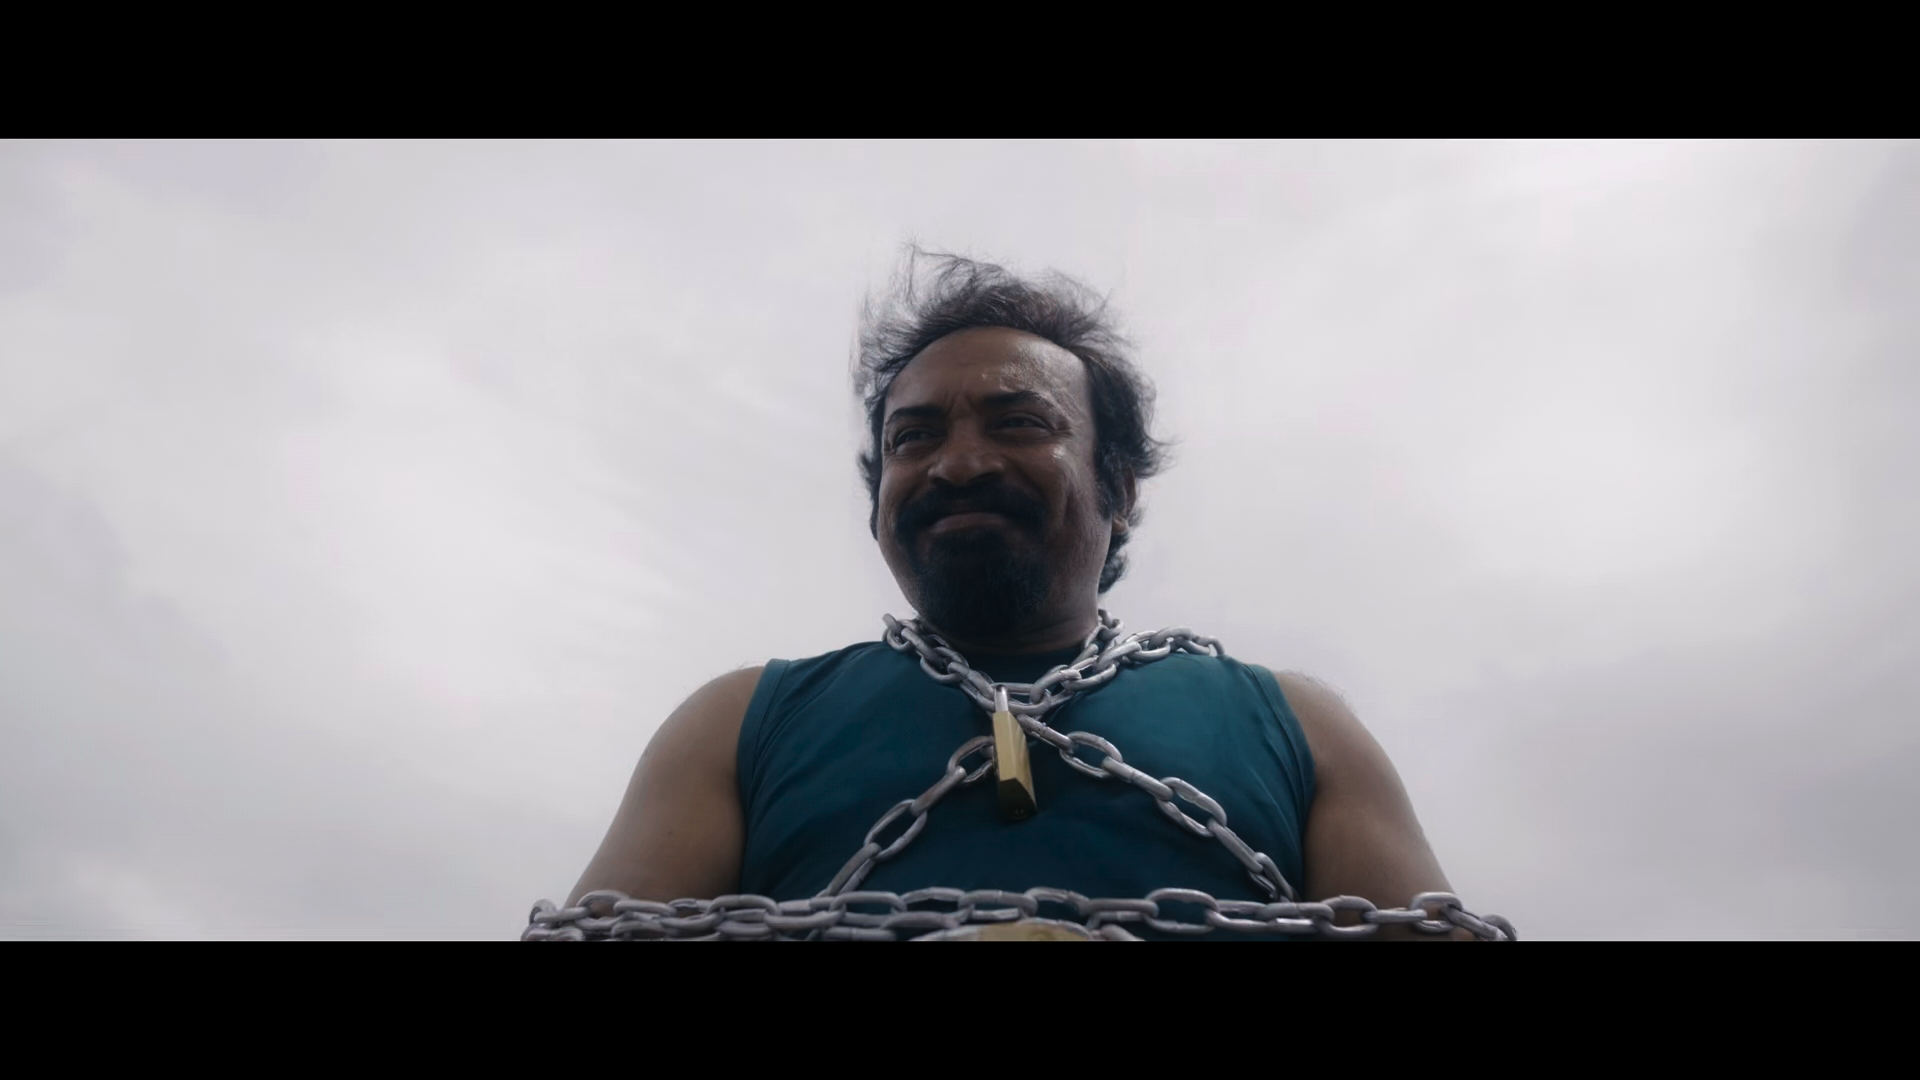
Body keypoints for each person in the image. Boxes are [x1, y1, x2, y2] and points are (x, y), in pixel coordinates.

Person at [563, 250, 1480, 940]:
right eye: (913, 438)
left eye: (1019, 422)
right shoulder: (740, 722)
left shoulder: (1296, 725)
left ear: (1119, 486)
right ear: (877, 501)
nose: (958, 464)